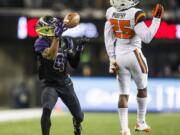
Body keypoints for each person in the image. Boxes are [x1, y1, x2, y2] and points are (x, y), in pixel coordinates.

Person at [104, 0, 164, 135]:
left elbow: (108, 37)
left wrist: (111, 58)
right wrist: (156, 19)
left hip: (119, 57)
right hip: (134, 55)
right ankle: (141, 122)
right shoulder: (135, 13)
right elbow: (147, 37)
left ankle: (125, 130)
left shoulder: (110, 12)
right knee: (142, 89)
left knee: (123, 94)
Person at [34, 15, 87, 135]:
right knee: (46, 110)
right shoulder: (40, 42)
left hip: (65, 83)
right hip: (50, 84)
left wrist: (79, 50)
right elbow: (50, 55)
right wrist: (56, 38)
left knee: (79, 116)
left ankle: (77, 123)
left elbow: (74, 64)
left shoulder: (67, 41)